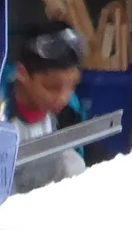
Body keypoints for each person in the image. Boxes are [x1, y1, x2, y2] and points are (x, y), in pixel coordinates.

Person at [10, 23, 88, 191]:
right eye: (51, 87)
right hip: (8, 194)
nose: (63, 98)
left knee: (72, 165)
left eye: (72, 86)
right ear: (22, 73)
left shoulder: (70, 110)